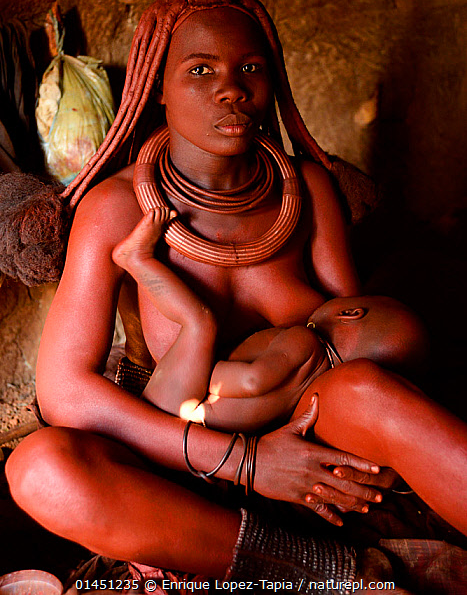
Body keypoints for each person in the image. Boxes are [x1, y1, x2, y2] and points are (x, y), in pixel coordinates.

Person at [6, 0, 418, 587]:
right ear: (157, 89)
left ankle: (337, 543)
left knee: (371, 384)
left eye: (249, 69)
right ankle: (332, 572)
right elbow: (64, 393)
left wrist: (321, 374)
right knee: (39, 470)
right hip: (184, 455)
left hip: (317, 442)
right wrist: (245, 459)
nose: (232, 90)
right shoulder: (116, 209)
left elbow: (355, 321)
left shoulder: (306, 188)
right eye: (200, 71)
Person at [112, 205, 467, 539]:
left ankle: (137, 259)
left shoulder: (303, 339)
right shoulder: (315, 382)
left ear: (351, 313)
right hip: (207, 444)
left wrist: (209, 383)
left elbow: (254, 380)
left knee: (199, 323)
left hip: (181, 409)